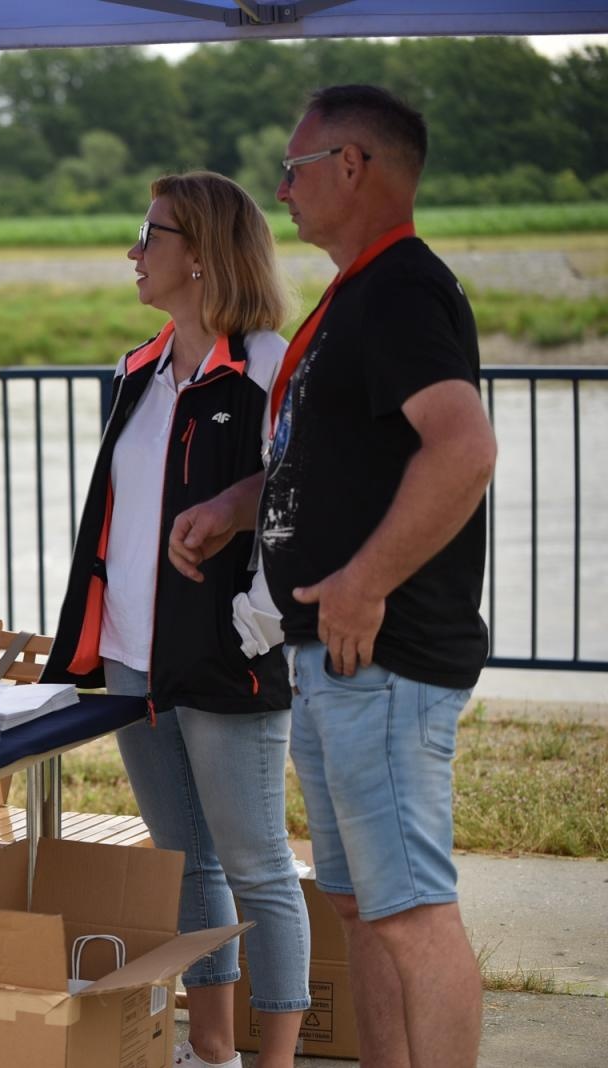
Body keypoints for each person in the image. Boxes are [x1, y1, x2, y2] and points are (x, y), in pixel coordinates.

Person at [170, 86, 496, 1068]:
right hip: (334, 658)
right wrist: (239, 504)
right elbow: (339, 456)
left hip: (380, 655)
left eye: (296, 167)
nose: (281, 188)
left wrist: (361, 579)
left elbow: (463, 446)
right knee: (359, 907)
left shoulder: (398, 289)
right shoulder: (355, 295)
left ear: (352, 167)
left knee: (409, 915)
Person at [42, 172, 310, 1068]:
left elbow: (299, 503)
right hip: (132, 662)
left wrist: (259, 619)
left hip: (233, 655)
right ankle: (214, 1052)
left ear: (199, 254)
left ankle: (274, 1060)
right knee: (185, 863)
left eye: (149, 235)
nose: (132, 251)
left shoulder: (272, 364)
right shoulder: (137, 370)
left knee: (259, 867)